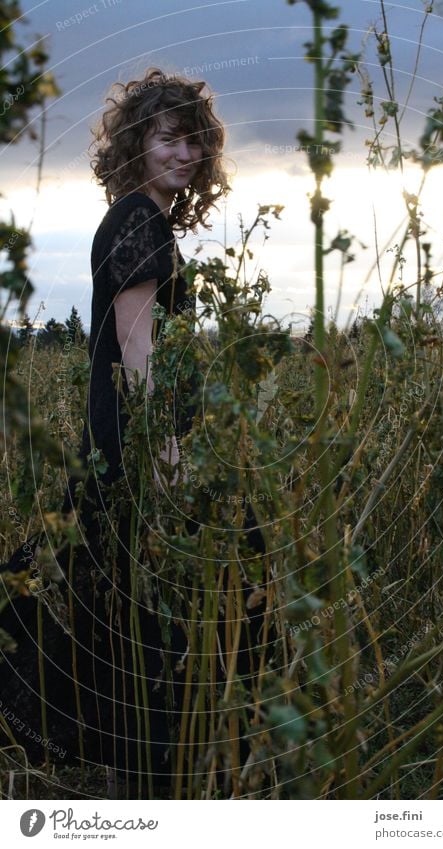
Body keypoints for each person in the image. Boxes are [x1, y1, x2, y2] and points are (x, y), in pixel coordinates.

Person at [0, 68, 268, 797]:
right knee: (168, 604)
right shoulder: (137, 221)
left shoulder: (139, 220)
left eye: (195, 142)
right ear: (135, 144)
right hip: (135, 443)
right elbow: (138, 345)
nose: (185, 155)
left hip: (121, 439)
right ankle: (153, 785)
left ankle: (150, 777)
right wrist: (172, 452)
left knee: (128, 614)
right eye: (167, 139)